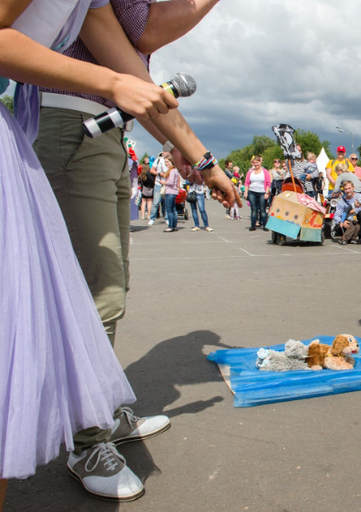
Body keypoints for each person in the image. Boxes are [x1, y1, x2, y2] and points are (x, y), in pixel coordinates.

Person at [0, 0, 211, 503]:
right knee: (93, 293)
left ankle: (98, 412)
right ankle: (86, 438)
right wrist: (112, 85)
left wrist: (203, 157)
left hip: (103, 128)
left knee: (109, 288)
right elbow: (139, 44)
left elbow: (131, 70)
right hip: (66, 123)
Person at [333, 181, 361, 245]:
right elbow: (336, 215)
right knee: (350, 227)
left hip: (357, 219)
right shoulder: (342, 201)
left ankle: (358, 237)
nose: (347, 191)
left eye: (349, 188)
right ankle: (344, 239)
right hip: (348, 219)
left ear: (353, 188)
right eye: (345, 189)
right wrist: (342, 221)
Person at [244, 156, 271, 231]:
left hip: (262, 192)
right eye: (254, 162)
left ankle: (265, 226)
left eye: (257, 162)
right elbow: (246, 183)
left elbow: (268, 183)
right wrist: (246, 192)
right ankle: (253, 225)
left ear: (260, 162)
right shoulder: (250, 171)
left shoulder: (265, 171)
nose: (256, 164)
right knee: (254, 209)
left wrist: (266, 193)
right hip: (252, 192)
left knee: (262, 210)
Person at [160, 156, 181, 232]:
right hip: (174, 192)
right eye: (165, 162)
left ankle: (171, 226)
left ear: (172, 162)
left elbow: (170, 182)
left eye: (168, 162)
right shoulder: (175, 170)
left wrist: (163, 182)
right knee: (173, 210)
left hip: (170, 191)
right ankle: (174, 226)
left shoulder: (172, 171)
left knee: (169, 210)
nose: (166, 163)